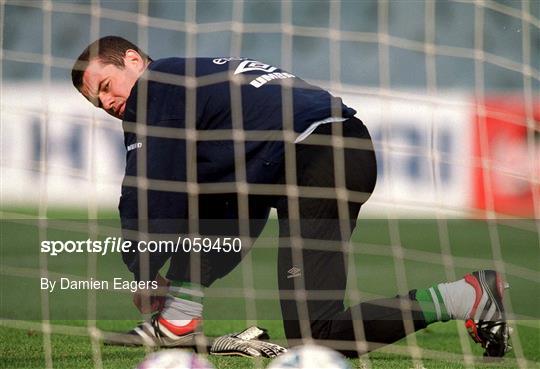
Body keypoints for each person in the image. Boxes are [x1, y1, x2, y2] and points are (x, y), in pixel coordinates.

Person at [71, 36, 510, 357]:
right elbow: (234, 215)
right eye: (97, 102)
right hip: (323, 151)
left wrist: (144, 271)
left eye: (107, 86)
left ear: (133, 59)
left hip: (318, 157)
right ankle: (179, 319)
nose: (107, 103)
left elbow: (149, 191)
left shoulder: (157, 85)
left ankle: (467, 295)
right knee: (222, 200)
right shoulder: (196, 76)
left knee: (316, 342)